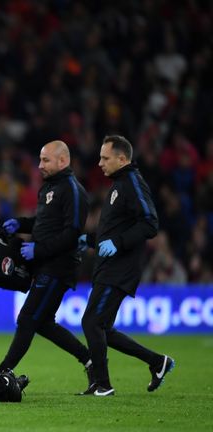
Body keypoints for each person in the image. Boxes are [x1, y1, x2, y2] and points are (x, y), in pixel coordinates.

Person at [78, 135, 174, 396]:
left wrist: (118, 244)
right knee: (103, 328)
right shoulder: (119, 184)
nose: (99, 163)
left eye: (105, 158)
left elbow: (150, 223)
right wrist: (88, 240)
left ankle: (103, 384)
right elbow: (114, 230)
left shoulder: (132, 182)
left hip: (119, 268)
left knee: (91, 322)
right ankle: (157, 362)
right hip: (109, 266)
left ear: (122, 159)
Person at [0, 141, 93, 387]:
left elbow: (72, 233)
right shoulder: (50, 187)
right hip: (45, 265)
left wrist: (39, 249)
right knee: (43, 323)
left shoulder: (73, 190)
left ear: (63, 161)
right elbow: (45, 224)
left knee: (28, 318)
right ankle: (89, 359)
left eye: (46, 160)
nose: (40, 165)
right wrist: (21, 224)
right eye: (40, 160)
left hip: (58, 267)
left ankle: (3, 370)